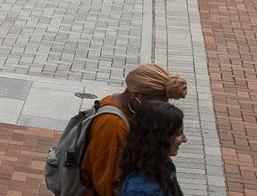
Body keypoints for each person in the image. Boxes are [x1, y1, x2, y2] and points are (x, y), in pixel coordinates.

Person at [81, 64, 189, 196]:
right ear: (137, 96)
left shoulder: (120, 104)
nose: (157, 110)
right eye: (155, 104)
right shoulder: (113, 125)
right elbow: (107, 184)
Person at [116, 102, 187, 196]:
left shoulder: (164, 165)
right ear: (160, 138)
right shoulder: (140, 189)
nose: (184, 139)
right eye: (178, 134)